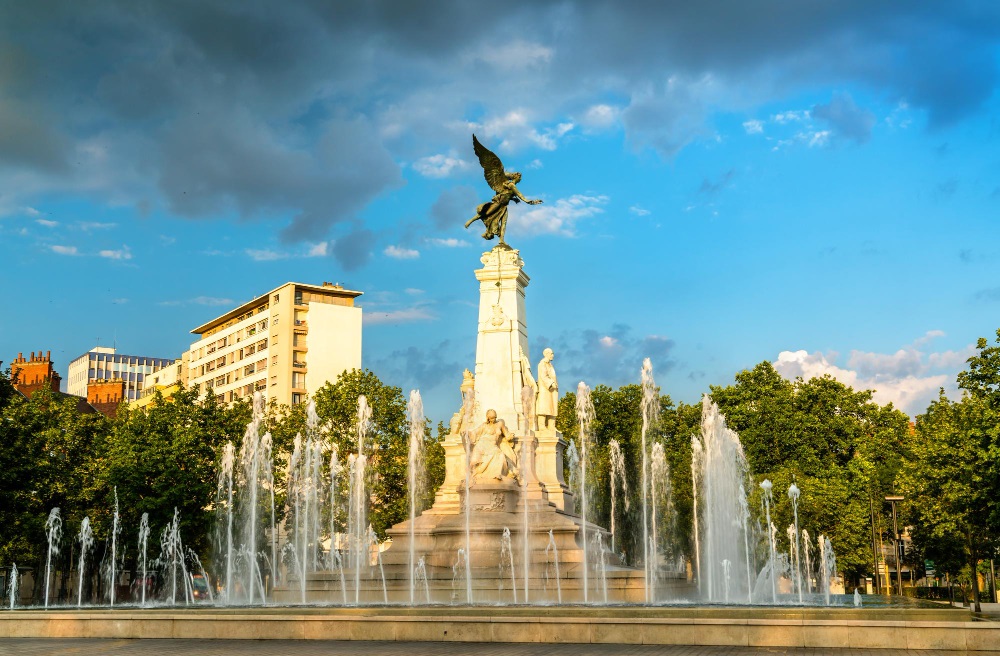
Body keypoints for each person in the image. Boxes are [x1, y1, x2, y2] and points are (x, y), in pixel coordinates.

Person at [469, 410, 519, 483]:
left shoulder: (500, 424)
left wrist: (510, 436)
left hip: (493, 445)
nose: (494, 419)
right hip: (483, 443)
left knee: (500, 455)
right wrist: (467, 433)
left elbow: (507, 434)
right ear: (488, 418)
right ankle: (478, 472)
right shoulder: (484, 425)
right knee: (495, 455)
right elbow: (474, 432)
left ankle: (498, 473)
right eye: (491, 418)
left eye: (495, 417)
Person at [536, 348, 558, 429]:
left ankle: (551, 426)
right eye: (551, 353)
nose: (553, 355)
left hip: (552, 389)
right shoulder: (542, 364)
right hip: (545, 389)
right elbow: (543, 376)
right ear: (546, 354)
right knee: (544, 407)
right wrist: (551, 383)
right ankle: (541, 426)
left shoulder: (549, 364)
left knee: (552, 407)